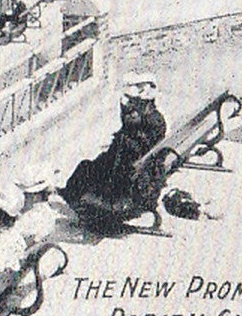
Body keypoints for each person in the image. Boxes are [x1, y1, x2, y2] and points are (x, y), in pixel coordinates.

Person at [62, 75, 168, 228]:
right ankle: (74, 200)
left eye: (133, 102)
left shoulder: (142, 125)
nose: (130, 106)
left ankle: (81, 208)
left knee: (85, 168)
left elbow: (126, 150)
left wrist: (121, 134)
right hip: (139, 172)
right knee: (88, 166)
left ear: (142, 103)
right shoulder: (156, 119)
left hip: (127, 181)